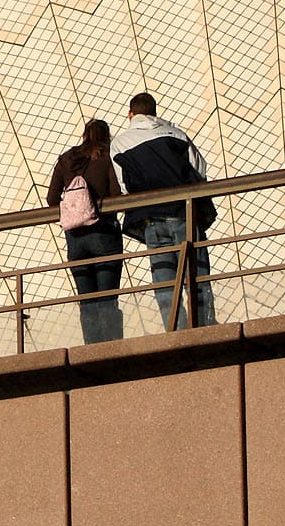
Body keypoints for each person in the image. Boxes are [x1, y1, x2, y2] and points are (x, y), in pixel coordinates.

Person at [112, 94, 217, 329]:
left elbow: (124, 185)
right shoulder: (175, 134)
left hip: (151, 219)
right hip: (184, 213)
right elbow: (199, 167)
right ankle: (205, 325)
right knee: (197, 275)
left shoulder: (120, 143)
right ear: (154, 112)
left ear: (131, 114)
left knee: (164, 280)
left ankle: (175, 329)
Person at [47, 120, 126, 344]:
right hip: (104, 233)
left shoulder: (66, 160)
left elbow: (52, 199)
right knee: (107, 297)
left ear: (84, 136)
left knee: (86, 299)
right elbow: (115, 192)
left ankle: (91, 348)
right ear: (106, 137)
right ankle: (111, 346)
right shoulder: (105, 157)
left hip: (75, 238)